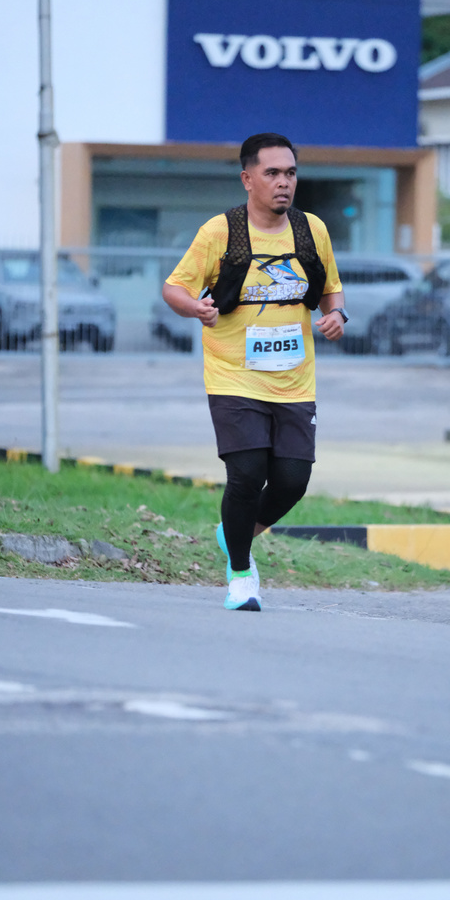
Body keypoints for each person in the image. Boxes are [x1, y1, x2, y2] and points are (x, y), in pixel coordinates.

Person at [162, 132, 347, 611]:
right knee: (246, 474)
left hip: (294, 379)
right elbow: (174, 288)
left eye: (291, 173)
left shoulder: (311, 230)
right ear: (248, 179)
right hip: (233, 375)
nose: (284, 182)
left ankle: (235, 532)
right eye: (272, 173)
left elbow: (331, 288)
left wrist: (337, 314)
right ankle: (241, 575)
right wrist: (195, 308)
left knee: (293, 480)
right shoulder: (220, 232)